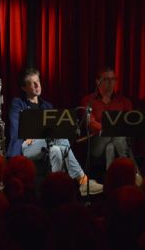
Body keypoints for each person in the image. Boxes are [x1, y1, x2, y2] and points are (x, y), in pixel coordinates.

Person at [7, 67, 103, 196]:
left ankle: (55, 190)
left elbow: (55, 130)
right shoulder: (18, 104)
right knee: (58, 137)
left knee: (57, 150)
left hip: (48, 143)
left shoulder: (47, 106)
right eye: (32, 83)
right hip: (27, 146)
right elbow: (16, 130)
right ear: (24, 88)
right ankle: (82, 180)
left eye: (38, 81)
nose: (37, 85)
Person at [80, 66, 139, 172]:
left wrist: (114, 130)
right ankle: (134, 173)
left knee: (111, 147)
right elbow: (90, 123)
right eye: (107, 79)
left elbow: (130, 124)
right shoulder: (88, 100)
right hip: (97, 143)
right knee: (117, 137)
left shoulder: (124, 101)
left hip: (119, 143)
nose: (111, 83)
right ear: (98, 81)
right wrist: (110, 129)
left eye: (113, 79)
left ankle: (110, 180)